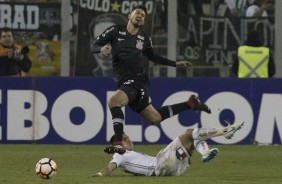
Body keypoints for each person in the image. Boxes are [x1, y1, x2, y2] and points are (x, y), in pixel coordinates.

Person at [90, 5, 211, 152]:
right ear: (129, 15)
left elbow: (153, 56)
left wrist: (175, 63)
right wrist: (100, 49)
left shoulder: (144, 38)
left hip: (136, 81)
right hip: (124, 83)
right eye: (137, 13)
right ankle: (190, 104)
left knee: (113, 101)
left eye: (143, 15)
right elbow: (94, 46)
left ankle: (118, 142)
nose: (140, 16)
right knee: (155, 118)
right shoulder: (115, 30)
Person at [93, 121, 244, 176]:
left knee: (193, 137)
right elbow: (110, 166)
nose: (128, 139)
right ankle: (225, 131)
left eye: (127, 137)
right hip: (160, 165)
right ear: (117, 145)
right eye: (124, 140)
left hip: (172, 169)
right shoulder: (120, 155)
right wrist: (100, 174)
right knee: (189, 133)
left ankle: (205, 152)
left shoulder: (128, 154)